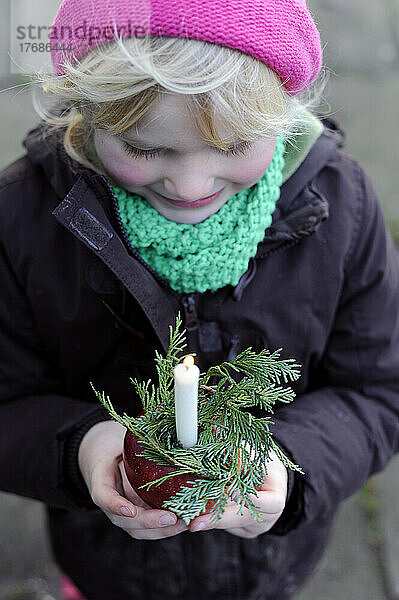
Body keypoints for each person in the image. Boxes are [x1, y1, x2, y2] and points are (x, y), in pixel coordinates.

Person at [0, 0, 398, 598]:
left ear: (283, 114)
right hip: (108, 562)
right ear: (86, 115)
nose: (190, 186)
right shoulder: (27, 218)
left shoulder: (340, 208)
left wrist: (290, 470)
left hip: (271, 562)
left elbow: (377, 389)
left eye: (235, 143)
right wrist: (81, 448)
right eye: (144, 148)